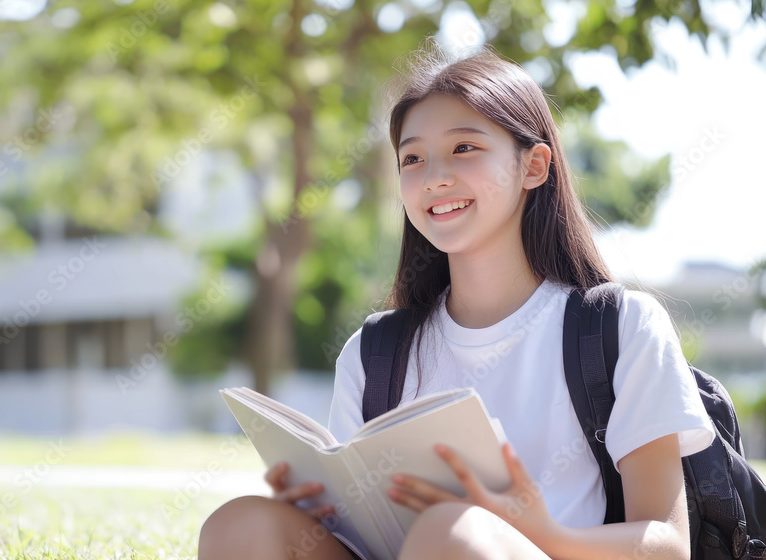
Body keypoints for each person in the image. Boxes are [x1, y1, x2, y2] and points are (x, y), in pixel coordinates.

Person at [198, 37, 716, 560]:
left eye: (464, 148)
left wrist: (540, 530)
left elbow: (668, 545)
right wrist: (319, 517)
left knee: (452, 532)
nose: (434, 178)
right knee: (239, 525)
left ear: (534, 166)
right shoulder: (374, 351)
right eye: (413, 158)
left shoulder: (618, 326)